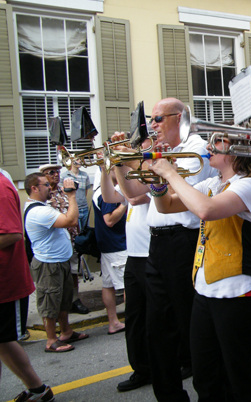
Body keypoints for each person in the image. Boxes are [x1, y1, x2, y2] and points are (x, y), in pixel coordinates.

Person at [150, 136, 251, 402]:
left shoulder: (249, 185)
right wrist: (159, 183)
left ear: (238, 150)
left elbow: (206, 210)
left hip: (238, 294)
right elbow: (166, 206)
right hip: (205, 293)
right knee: (205, 377)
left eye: (219, 141)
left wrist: (170, 172)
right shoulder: (212, 183)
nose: (208, 147)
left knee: (241, 379)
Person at [111, 97, 215, 402]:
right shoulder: (160, 153)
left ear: (179, 117)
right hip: (157, 243)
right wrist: (117, 161)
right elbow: (132, 194)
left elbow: (172, 194)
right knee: (157, 332)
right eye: (151, 120)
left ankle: (211, 393)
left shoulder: (195, 147)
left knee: (191, 328)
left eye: (158, 119)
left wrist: (132, 156)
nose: (152, 125)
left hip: (184, 241)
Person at [99, 151, 153, 391]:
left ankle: (180, 361)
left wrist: (124, 164)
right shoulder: (128, 177)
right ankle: (141, 369)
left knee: (159, 318)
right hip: (134, 256)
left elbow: (133, 197)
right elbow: (109, 196)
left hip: (151, 255)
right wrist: (104, 166)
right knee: (133, 318)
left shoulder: (149, 175)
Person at [0, 173, 56, 402]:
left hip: (5, 282)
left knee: (4, 340)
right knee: (3, 342)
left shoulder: (1, 187)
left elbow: (12, 234)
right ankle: (38, 390)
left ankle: (38, 389)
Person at [24, 172, 90, 353]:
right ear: (34, 188)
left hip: (59, 261)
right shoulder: (39, 211)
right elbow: (71, 220)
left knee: (63, 300)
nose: (50, 187)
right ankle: (51, 340)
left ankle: (66, 331)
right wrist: (71, 195)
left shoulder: (43, 206)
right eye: (45, 185)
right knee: (49, 301)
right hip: (48, 264)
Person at [40, 163, 89, 315]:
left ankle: (74, 300)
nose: (56, 174)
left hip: (70, 239)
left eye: (57, 172)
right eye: (51, 172)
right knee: (56, 277)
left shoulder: (64, 191)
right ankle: (58, 306)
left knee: (73, 271)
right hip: (54, 244)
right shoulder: (44, 197)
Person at [92, 170, 127, 335]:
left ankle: (113, 322)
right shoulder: (108, 193)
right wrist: (125, 203)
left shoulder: (100, 190)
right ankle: (130, 320)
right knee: (127, 286)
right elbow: (110, 220)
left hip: (108, 245)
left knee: (108, 285)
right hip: (117, 246)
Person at [60, 157, 93, 229]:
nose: (80, 161)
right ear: (71, 161)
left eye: (80, 159)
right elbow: (62, 193)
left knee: (86, 231)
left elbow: (85, 192)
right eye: (77, 159)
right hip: (73, 209)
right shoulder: (63, 176)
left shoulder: (85, 175)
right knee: (76, 230)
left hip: (84, 208)